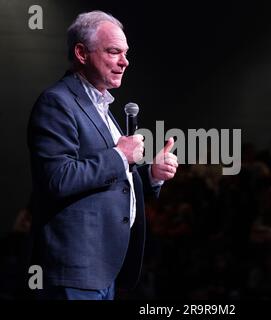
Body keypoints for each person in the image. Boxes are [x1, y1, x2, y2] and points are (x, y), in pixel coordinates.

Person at [27, 10, 178, 300]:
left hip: (105, 268)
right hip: (75, 269)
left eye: (126, 53)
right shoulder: (57, 103)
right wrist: (120, 155)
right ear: (82, 53)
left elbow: (110, 182)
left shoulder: (102, 108)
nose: (125, 62)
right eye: (113, 52)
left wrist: (150, 174)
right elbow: (56, 179)